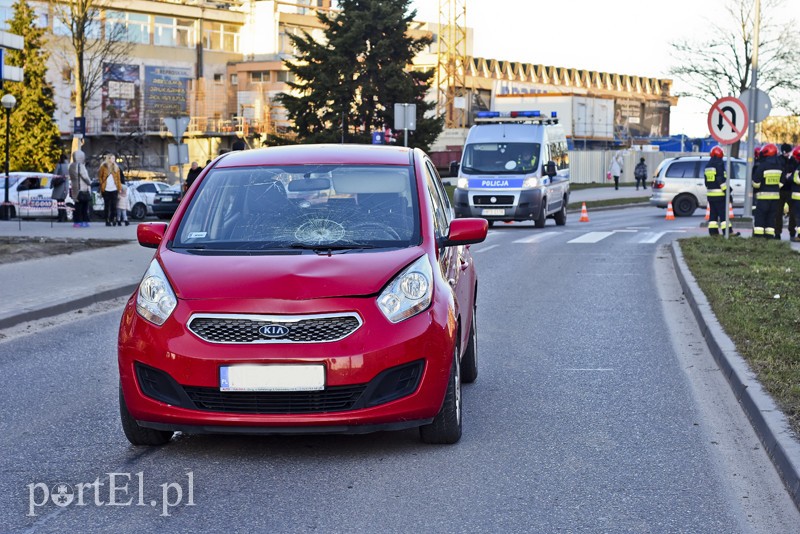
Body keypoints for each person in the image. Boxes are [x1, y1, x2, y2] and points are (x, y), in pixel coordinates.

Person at [752, 143, 783, 239]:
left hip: (763, 197)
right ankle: (769, 237)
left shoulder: (762, 166)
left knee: (760, 217)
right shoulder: (779, 166)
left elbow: (756, 183)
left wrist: (759, 186)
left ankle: (759, 237)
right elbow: (782, 182)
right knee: (771, 218)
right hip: (775, 198)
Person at [704, 146, 730, 236]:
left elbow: (706, 182)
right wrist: (727, 191)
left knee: (713, 215)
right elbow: (721, 180)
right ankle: (728, 232)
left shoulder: (708, 166)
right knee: (723, 214)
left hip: (710, 195)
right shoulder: (719, 164)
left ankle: (713, 233)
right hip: (720, 194)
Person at [775, 143, 797, 240]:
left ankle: (792, 232)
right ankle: (777, 233)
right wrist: (786, 176)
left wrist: (790, 177)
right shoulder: (778, 160)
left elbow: (796, 173)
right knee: (778, 212)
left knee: (793, 213)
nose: (787, 154)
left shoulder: (793, 161)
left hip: (790, 190)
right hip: (781, 190)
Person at [69, 150, 92, 228]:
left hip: (75, 187)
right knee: (84, 206)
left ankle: (76, 221)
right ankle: (83, 221)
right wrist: (90, 183)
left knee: (77, 206)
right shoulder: (81, 166)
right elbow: (85, 176)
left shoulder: (71, 166)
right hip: (82, 188)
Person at [98, 154, 122, 226]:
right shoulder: (103, 167)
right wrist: (102, 184)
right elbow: (100, 177)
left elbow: (118, 179)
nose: (113, 160)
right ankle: (107, 220)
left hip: (114, 189)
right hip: (106, 189)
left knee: (114, 205)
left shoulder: (116, 167)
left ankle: (113, 219)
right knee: (107, 205)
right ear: (108, 159)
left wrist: (119, 188)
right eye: (112, 158)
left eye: (114, 158)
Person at [789, 147, 800, 242]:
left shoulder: (799, 167)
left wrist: (790, 178)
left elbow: (797, 180)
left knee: (798, 217)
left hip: (798, 197)